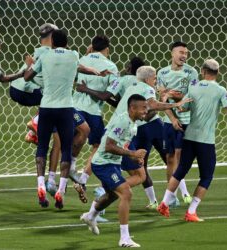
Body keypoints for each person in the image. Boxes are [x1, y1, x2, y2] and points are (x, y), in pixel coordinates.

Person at [77, 66, 191, 209]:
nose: (155, 81)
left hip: (116, 131)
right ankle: (104, 196)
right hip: (120, 134)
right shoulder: (146, 89)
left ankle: (98, 204)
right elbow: (152, 106)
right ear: (148, 78)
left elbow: (143, 111)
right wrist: (175, 103)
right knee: (139, 175)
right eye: (154, 78)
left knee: (135, 172)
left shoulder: (132, 87)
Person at [24, 30, 108, 209]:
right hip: (65, 109)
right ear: (67, 43)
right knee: (66, 148)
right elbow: (80, 67)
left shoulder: (45, 56)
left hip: (46, 107)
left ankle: (41, 185)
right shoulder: (73, 55)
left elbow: (27, 77)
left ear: (52, 42)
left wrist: (31, 65)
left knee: (42, 147)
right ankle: (60, 192)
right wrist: (96, 71)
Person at [157, 59, 227, 222]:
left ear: (203, 71)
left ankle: (164, 202)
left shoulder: (194, 87)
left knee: (181, 169)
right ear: (218, 73)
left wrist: (169, 98)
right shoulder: (220, 90)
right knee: (206, 176)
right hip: (206, 140)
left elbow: (182, 107)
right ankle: (191, 212)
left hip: (189, 137)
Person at [73, 56, 145, 203]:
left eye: (127, 64)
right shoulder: (142, 85)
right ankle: (103, 193)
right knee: (138, 174)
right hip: (128, 130)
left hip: (121, 128)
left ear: (130, 68)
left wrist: (85, 89)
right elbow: (120, 103)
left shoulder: (123, 80)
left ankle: (93, 187)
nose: (125, 66)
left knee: (108, 158)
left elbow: (107, 96)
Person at [80, 94, 148, 248]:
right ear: (132, 108)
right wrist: (132, 153)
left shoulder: (133, 124)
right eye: (143, 107)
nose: (146, 110)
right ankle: (124, 238)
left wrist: (134, 158)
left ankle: (90, 216)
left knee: (112, 195)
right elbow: (108, 146)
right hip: (103, 163)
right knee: (126, 193)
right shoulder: (122, 121)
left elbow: (122, 146)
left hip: (113, 163)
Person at [71, 35, 119, 203]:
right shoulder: (111, 66)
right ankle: (83, 179)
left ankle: (60, 183)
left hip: (73, 107)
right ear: (107, 49)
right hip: (93, 112)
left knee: (67, 142)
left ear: (91, 46)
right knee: (99, 146)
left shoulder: (82, 59)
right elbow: (110, 94)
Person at [157, 41, 199, 205]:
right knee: (169, 157)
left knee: (180, 158)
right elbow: (162, 100)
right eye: (181, 52)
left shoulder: (192, 72)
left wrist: (174, 95)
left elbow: (191, 97)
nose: (184, 56)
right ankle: (171, 197)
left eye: (186, 53)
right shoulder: (162, 72)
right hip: (169, 121)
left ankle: (185, 193)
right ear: (172, 54)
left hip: (187, 121)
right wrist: (173, 118)